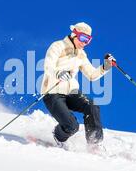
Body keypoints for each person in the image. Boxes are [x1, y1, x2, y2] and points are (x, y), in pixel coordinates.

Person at [41, 22, 116, 151]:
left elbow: (92, 75)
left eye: (88, 40)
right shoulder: (58, 46)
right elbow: (48, 65)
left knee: (91, 105)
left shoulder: (81, 54)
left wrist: (105, 67)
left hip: (71, 92)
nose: (85, 43)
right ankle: (58, 136)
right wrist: (57, 73)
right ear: (74, 34)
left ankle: (95, 144)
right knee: (72, 126)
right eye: (83, 38)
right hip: (53, 92)